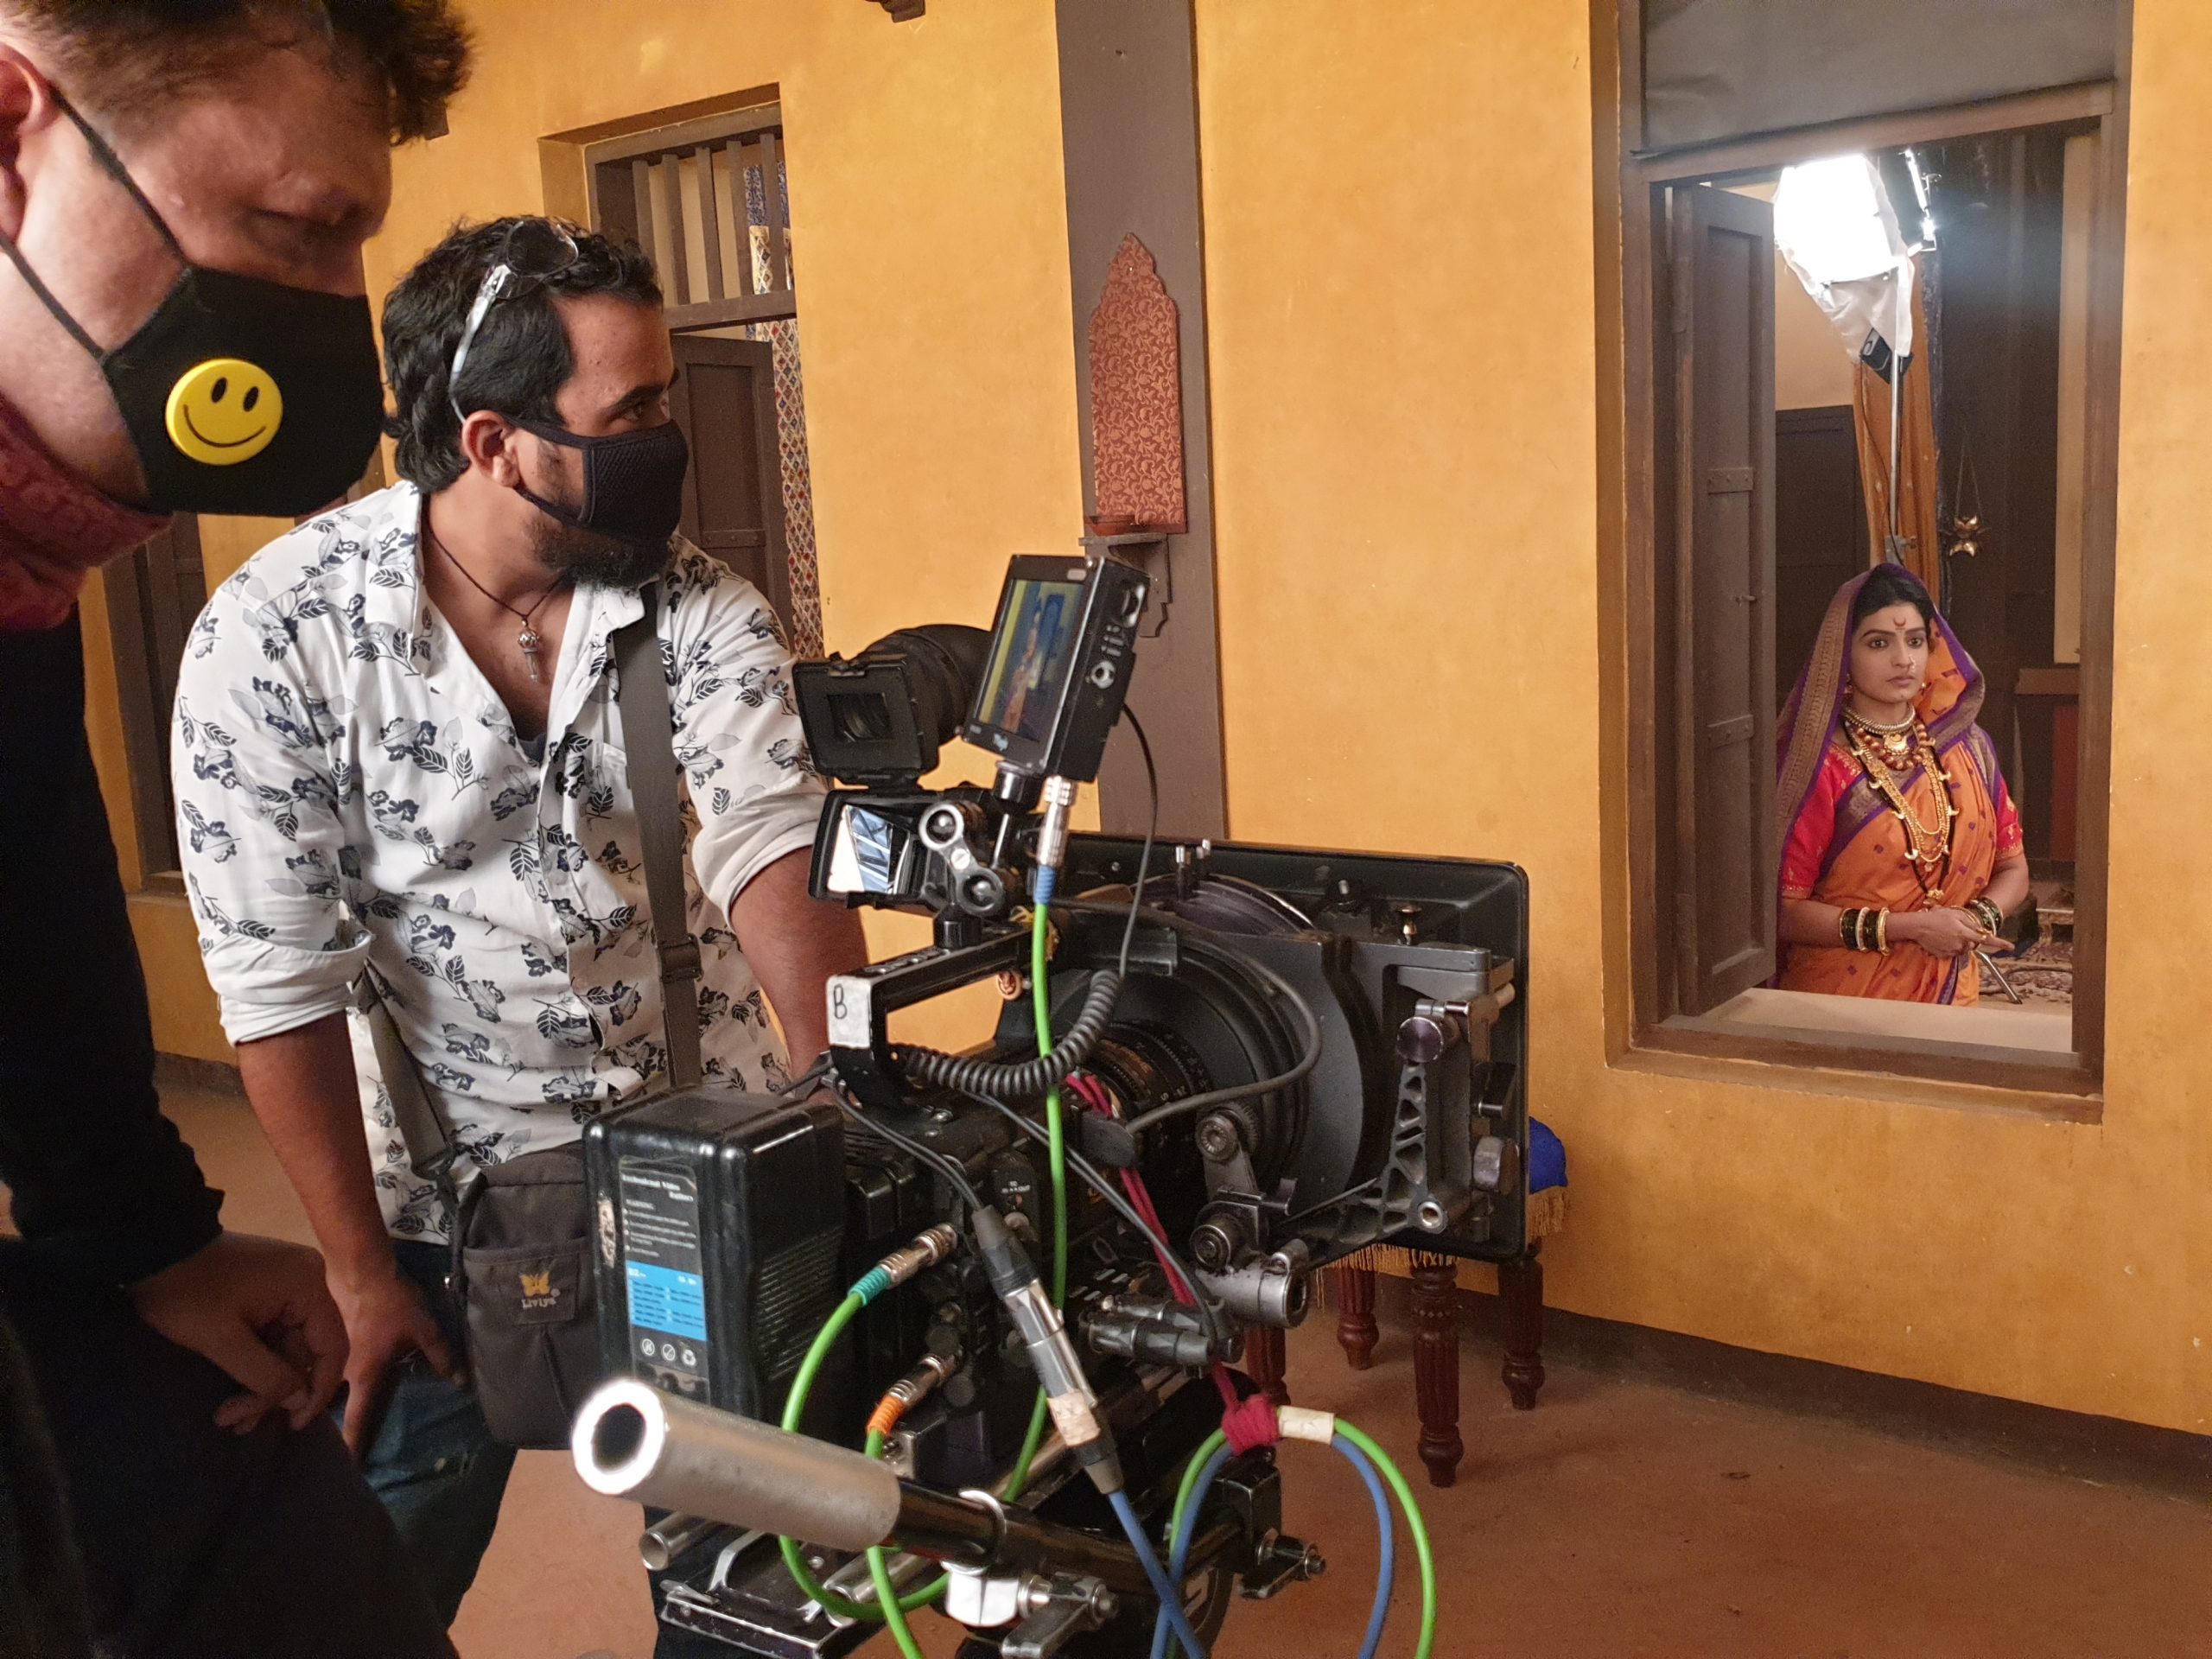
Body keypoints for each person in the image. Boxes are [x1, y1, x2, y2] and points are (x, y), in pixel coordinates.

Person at [171, 214, 872, 1626]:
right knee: (356, 1601)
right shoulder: (281, 636)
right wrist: (359, 1276)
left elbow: (773, 849)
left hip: (709, 1167)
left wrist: (840, 1116)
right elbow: (279, 979)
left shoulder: (695, 607)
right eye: (633, 411)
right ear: (491, 442)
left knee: (757, 1588)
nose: (665, 438)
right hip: (439, 1216)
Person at [0, 3, 471, 1656]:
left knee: (250, 1482)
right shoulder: (285, 626)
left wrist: (145, 1237)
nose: (334, 320)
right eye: (295, 228)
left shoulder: (24, 581)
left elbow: (27, 884)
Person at [1774, 563, 2031, 1004]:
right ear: (1843, 655)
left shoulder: (1969, 747)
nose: (1903, 660)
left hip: (1952, 992)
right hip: (1844, 1001)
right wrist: (1913, 928)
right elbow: (1784, 911)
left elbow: (2014, 868)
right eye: (1879, 643)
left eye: (1915, 641)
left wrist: (1974, 922)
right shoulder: (1818, 764)